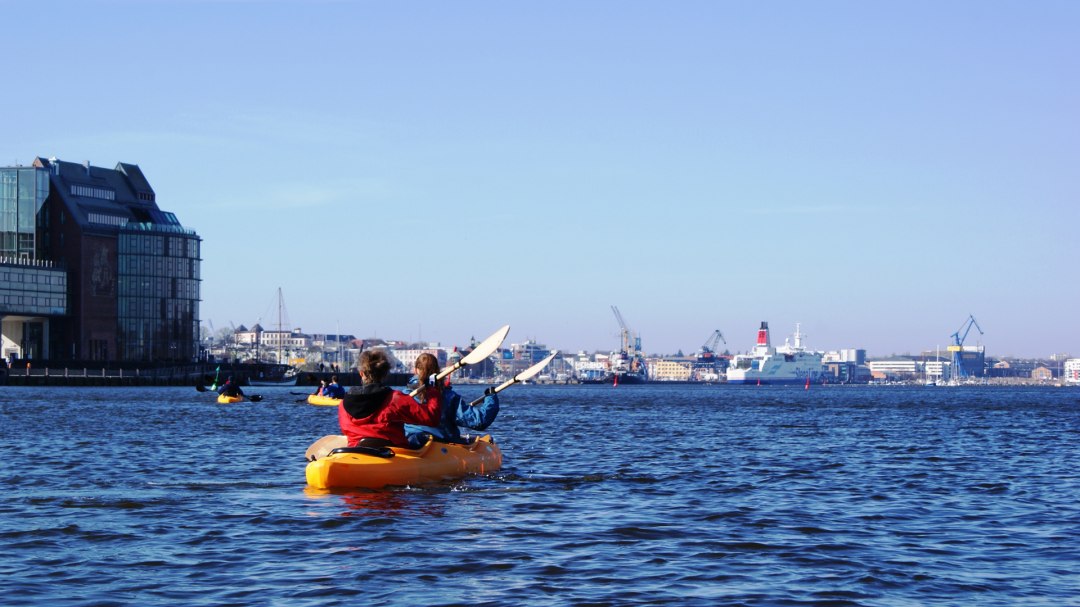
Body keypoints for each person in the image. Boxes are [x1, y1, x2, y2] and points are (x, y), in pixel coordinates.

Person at [338, 350, 441, 449]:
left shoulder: (343, 405)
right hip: (392, 452)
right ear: (385, 373)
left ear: (361, 373)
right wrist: (433, 390)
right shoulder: (395, 399)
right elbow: (432, 419)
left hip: (357, 451)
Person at [405, 379, 499, 449]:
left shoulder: (404, 395)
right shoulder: (448, 396)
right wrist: (491, 397)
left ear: (415, 370)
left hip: (409, 442)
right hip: (440, 444)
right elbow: (480, 421)